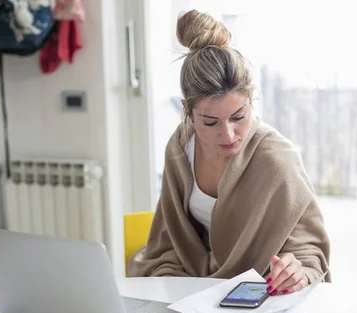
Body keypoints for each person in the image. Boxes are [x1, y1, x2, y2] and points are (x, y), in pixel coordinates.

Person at [128, 9, 331, 294]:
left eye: (238, 117)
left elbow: (310, 254)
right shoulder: (179, 148)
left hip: (258, 291)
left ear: (251, 101)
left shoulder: (276, 160)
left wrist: (297, 273)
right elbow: (168, 241)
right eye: (210, 122)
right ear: (188, 111)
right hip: (192, 288)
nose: (228, 134)